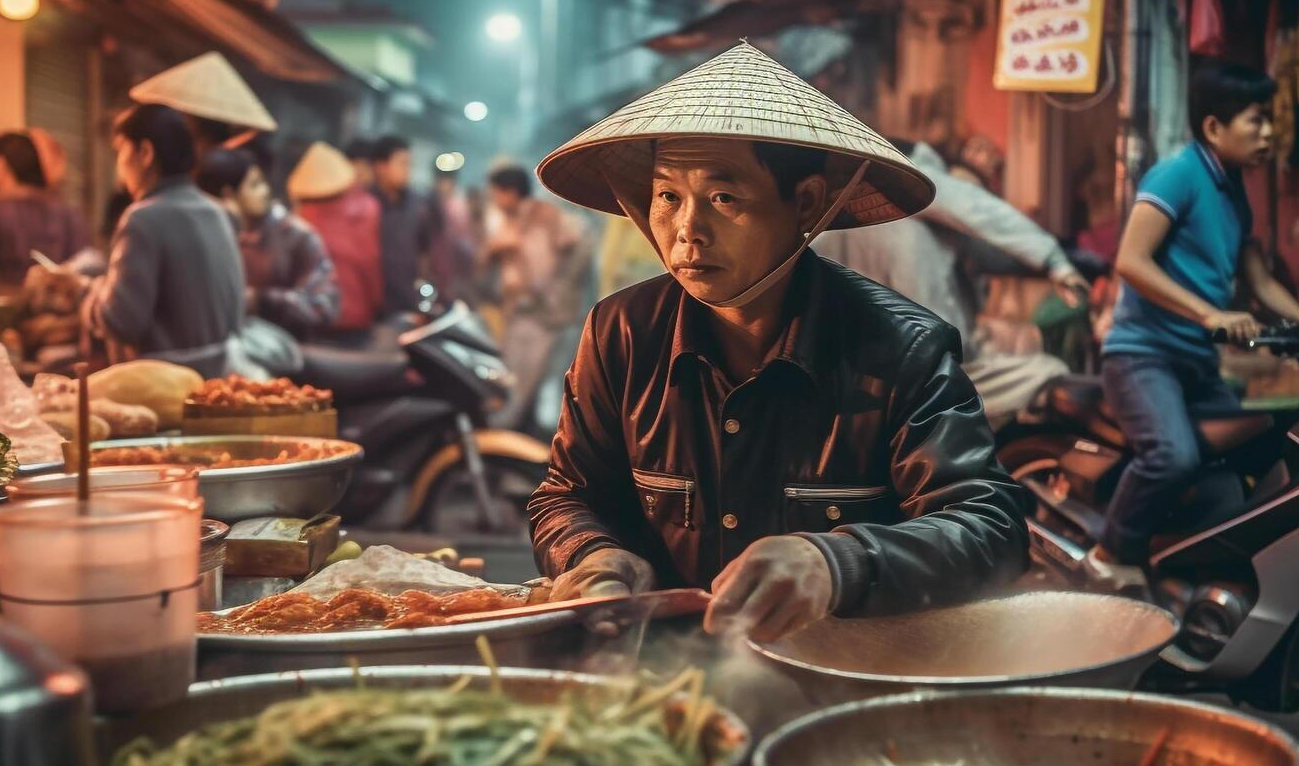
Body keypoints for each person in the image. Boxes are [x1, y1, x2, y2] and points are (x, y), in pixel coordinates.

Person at [526, 43, 1028, 641]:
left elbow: (988, 526)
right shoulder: (621, 333)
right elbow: (566, 495)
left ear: (807, 204)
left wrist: (837, 563)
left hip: (838, 679)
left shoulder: (901, 348)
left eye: (723, 198)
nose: (687, 230)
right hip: (662, 679)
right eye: (667, 196)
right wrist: (593, 557)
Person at [1087, 60, 1299, 584]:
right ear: (1215, 127)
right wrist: (1211, 313)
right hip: (1144, 357)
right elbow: (1130, 261)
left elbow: (1260, 282)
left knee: (1271, 430)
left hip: (1197, 363)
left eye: (1269, 121)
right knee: (1171, 456)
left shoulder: (1235, 192)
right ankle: (1109, 556)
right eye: (1256, 120)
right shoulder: (1178, 174)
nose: (1268, 133)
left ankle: (1194, 559)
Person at [813, 138, 1086, 426]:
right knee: (1046, 371)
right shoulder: (916, 185)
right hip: (923, 372)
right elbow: (976, 211)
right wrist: (1056, 262)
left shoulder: (839, 211)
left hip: (856, 378)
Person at [83, 104, 249, 379]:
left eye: (121, 151)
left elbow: (122, 322)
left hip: (167, 387)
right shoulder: (217, 212)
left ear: (145, 153)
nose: (120, 168)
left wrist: (87, 294)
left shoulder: (143, 217)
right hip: (222, 380)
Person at [483, 165, 592, 428]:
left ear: (510, 192)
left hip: (542, 317)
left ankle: (508, 445)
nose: (494, 201)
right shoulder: (508, 221)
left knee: (521, 384)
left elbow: (581, 248)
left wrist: (557, 290)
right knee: (514, 379)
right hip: (519, 311)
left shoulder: (546, 215)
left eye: (496, 193)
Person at [197, 147, 339, 340]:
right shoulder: (210, 235)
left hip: (287, 351)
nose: (265, 191)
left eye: (262, 182)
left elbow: (323, 305)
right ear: (228, 195)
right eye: (254, 185)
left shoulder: (296, 236)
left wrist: (260, 300)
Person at [0, 131, 92, 294]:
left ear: (1, 164)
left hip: (2, 310)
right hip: (55, 309)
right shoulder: (66, 210)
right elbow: (86, 261)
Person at [289, 140, 384, 338]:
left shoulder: (301, 212)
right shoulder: (368, 207)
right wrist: (377, 303)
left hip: (312, 314)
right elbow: (369, 261)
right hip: (356, 313)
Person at [369, 136, 435, 315]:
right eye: (402, 164)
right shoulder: (365, 204)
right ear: (381, 167)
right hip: (372, 306)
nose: (407, 171)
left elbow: (424, 252)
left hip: (406, 304)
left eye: (409, 165)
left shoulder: (418, 205)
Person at [426, 167, 478, 302]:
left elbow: (465, 241)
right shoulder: (431, 203)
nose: (445, 185)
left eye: (448, 181)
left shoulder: (458, 206)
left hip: (455, 269)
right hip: (436, 265)